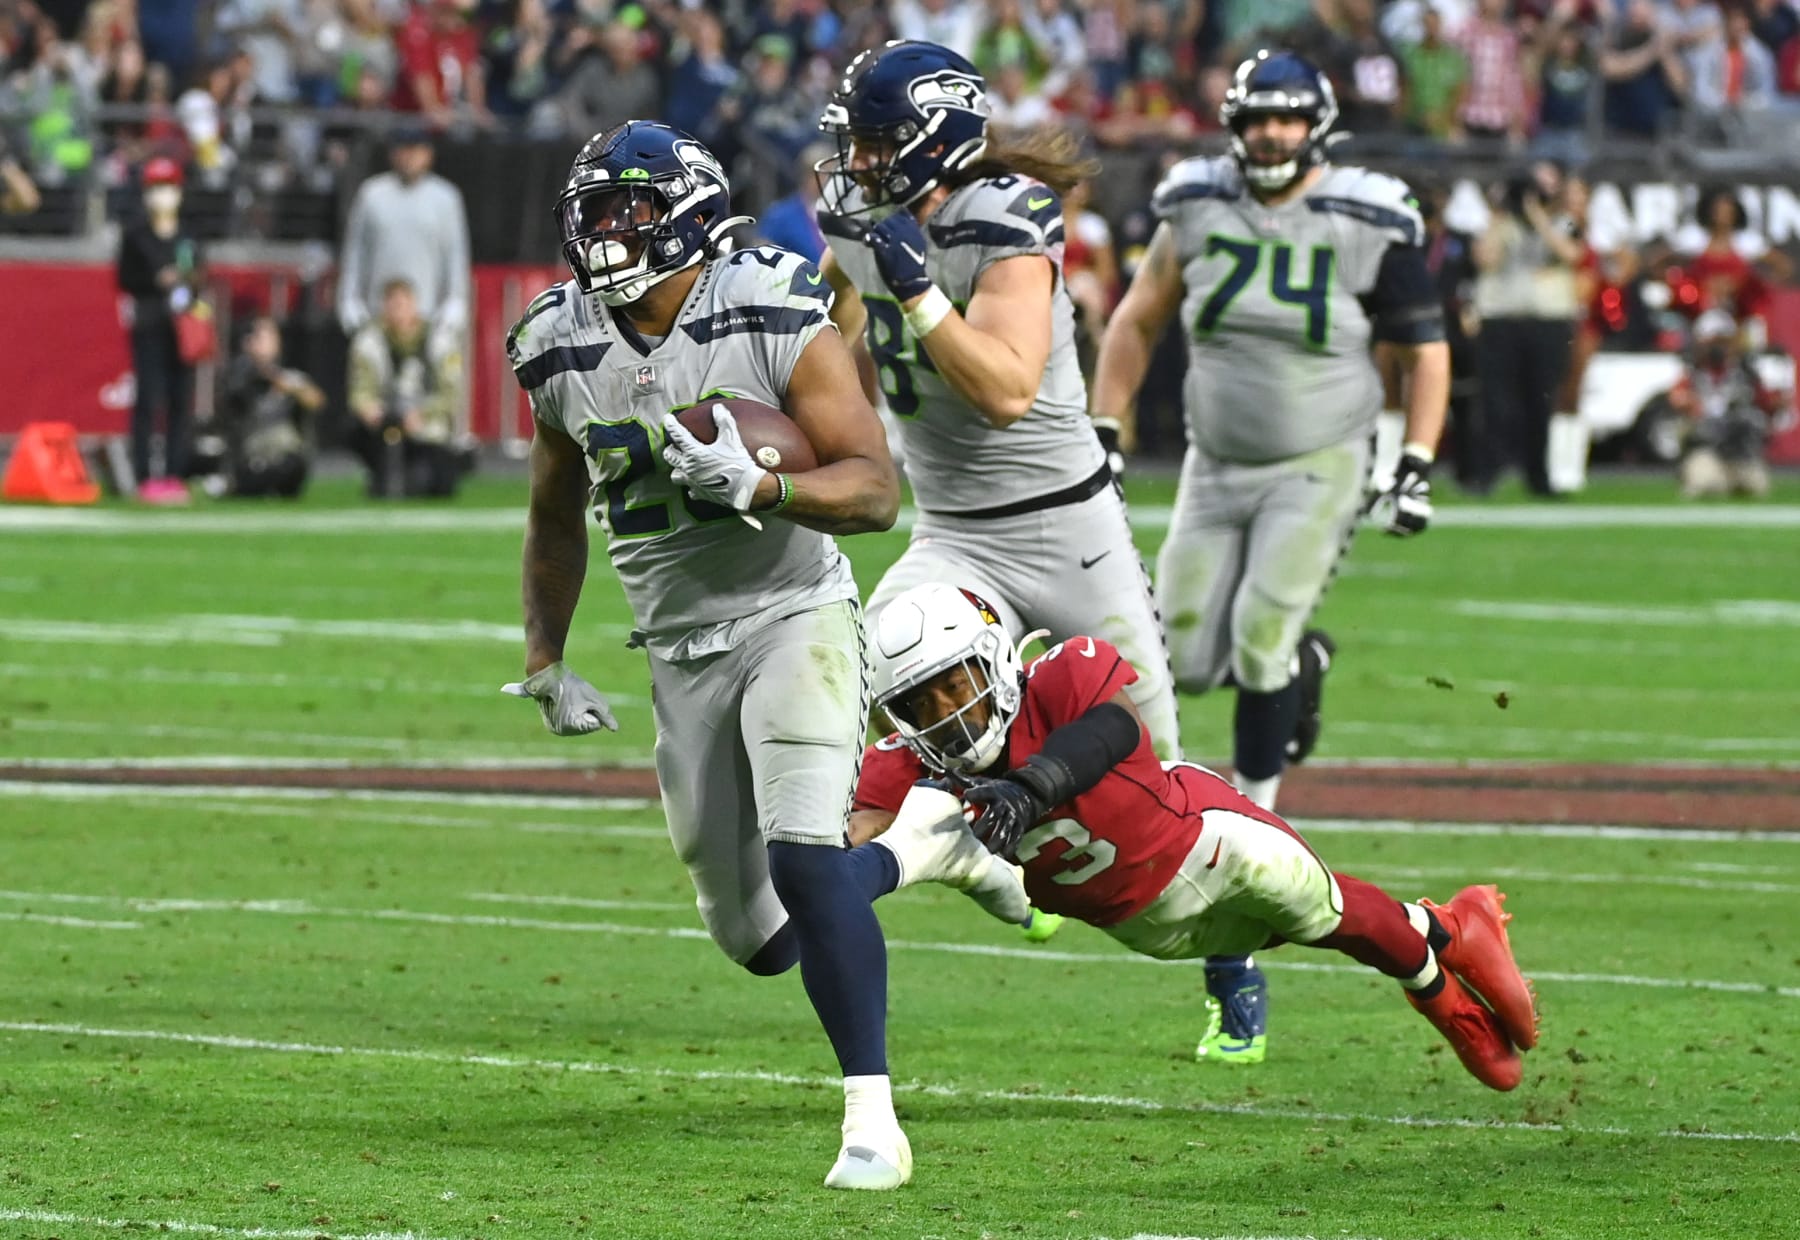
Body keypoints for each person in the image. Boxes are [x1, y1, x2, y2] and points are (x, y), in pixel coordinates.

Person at [502, 120, 921, 1191]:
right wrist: (547, 654)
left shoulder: (769, 304)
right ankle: (931, 845)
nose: (605, 231)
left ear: (686, 212)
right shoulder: (557, 340)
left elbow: (875, 487)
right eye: (594, 210)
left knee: (802, 854)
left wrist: (768, 486)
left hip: (794, 612)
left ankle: (872, 1118)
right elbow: (555, 511)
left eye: (628, 209)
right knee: (754, 934)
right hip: (678, 649)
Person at [1089, 50, 1450, 1064]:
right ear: (1236, 124)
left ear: (1319, 128)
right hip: (1217, 461)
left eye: (1290, 123)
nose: (1272, 139)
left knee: (1258, 639)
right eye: (1259, 121)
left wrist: (1414, 458)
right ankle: (1304, 674)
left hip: (1321, 457)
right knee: (1182, 659)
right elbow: (1139, 314)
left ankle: (1258, 826)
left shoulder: (1370, 214)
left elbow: (1425, 346)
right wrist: (1107, 422)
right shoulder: (1197, 204)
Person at [853, 582, 1539, 1094]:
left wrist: (1031, 786)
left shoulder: (1060, 675)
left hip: (1206, 841)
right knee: (1308, 929)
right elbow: (851, 832)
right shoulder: (909, 759)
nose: (951, 714)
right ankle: (1449, 926)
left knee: (1324, 914)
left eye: (957, 684)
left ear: (993, 660)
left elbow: (1115, 727)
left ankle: (1443, 997)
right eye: (923, 703)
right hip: (1145, 928)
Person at [814, 41, 1181, 766]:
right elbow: (837, 314)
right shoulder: (857, 214)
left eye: (876, 143)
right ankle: (960, 861)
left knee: (1151, 764)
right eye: (852, 142)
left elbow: (1007, 391)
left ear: (936, 137)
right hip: (952, 532)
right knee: (875, 692)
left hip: (1065, 525)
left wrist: (918, 295)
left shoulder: (1006, 214)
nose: (857, 163)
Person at [1470, 160, 1585, 496]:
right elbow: (1485, 259)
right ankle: (1487, 472)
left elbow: (1570, 254)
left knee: (1540, 401)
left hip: (1547, 321)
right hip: (1501, 319)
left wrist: (1536, 215)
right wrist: (1499, 214)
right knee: (1495, 401)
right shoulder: (1500, 224)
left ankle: (1539, 476)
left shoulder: (1563, 223)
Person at [115, 155, 205, 504]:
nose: (163, 195)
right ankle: (144, 474)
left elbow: (200, 270)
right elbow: (124, 279)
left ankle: (174, 471)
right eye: (156, 188)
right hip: (151, 320)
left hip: (182, 324)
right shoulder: (136, 233)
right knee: (149, 396)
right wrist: (157, 279)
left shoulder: (188, 233)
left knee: (180, 398)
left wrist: (189, 279)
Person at [337, 123, 471, 350]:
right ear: (392, 154)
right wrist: (349, 300)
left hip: (428, 320)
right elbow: (355, 254)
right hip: (377, 318)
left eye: (415, 150)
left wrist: (455, 301)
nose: (408, 157)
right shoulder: (372, 194)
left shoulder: (445, 198)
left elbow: (456, 256)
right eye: (402, 150)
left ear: (428, 154)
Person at [347, 278, 467, 498]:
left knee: (440, 483)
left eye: (402, 304)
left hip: (427, 423)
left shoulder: (440, 341)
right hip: (386, 420)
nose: (397, 311)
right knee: (350, 427)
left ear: (415, 305)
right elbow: (359, 391)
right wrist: (369, 408)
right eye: (392, 305)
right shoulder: (368, 342)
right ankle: (383, 473)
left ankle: (406, 478)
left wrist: (424, 413)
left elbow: (451, 394)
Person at [1671, 309, 1786, 500]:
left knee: (1756, 486)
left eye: (1723, 341)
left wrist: (1773, 405)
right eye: (1713, 341)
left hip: (1739, 452)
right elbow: (1678, 401)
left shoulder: (1746, 374)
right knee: (1709, 484)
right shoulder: (1692, 374)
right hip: (1707, 448)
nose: (1718, 347)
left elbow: (1766, 407)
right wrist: (1692, 407)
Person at [218, 313, 323, 497]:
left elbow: (316, 400)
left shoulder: (289, 378)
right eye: (260, 337)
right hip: (252, 456)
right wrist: (257, 372)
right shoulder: (239, 376)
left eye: (270, 336)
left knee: (292, 463)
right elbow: (232, 401)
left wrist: (286, 387)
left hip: (284, 455)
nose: (266, 343)